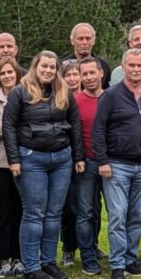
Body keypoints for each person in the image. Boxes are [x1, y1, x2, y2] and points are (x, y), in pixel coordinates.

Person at [3, 51, 86, 279]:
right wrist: (14, 160)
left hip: (61, 158)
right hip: (31, 158)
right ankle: (31, 267)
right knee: (34, 214)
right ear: (35, 67)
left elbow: (75, 125)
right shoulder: (20, 92)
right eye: (44, 66)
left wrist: (78, 157)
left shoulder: (64, 91)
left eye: (52, 67)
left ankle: (48, 262)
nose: (48, 70)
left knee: (54, 214)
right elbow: (8, 126)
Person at [93, 49, 141, 279]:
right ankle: (117, 265)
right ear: (123, 66)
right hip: (116, 165)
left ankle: (130, 259)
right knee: (117, 215)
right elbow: (98, 129)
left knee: (137, 215)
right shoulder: (111, 95)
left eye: (139, 66)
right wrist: (102, 160)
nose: (135, 69)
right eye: (131, 65)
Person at [0, 57, 24, 276]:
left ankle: (19, 256)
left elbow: (32, 125)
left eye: (11, 72)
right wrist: (19, 127)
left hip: (25, 161)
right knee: (2, 211)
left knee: (20, 209)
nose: (7, 76)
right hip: (0, 162)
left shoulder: (27, 95)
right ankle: (3, 258)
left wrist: (14, 127)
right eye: (3, 73)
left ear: (17, 74)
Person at [73, 57, 107, 274]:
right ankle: (87, 256)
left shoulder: (112, 97)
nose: (88, 78)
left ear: (101, 73)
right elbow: (74, 133)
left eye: (91, 73)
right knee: (85, 211)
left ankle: (99, 248)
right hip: (86, 163)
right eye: (84, 74)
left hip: (111, 163)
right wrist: (78, 158)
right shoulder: (76, 101)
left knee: (110, 210)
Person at [60, 61, 83, 267]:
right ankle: (68, 248)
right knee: (69, 206)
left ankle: (89, 244)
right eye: (68, 75)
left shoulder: (88, 98)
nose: (73, 79)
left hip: (86, 158)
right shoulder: (59, 100)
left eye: (76, 74)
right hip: (66, 158)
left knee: (89, 206)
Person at [66, 23, 113, 90]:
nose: (84, 42)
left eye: (88, 38)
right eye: (80, 39)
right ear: (72, 41)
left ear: (93, 41)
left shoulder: (103, 66)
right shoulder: (63, 66)